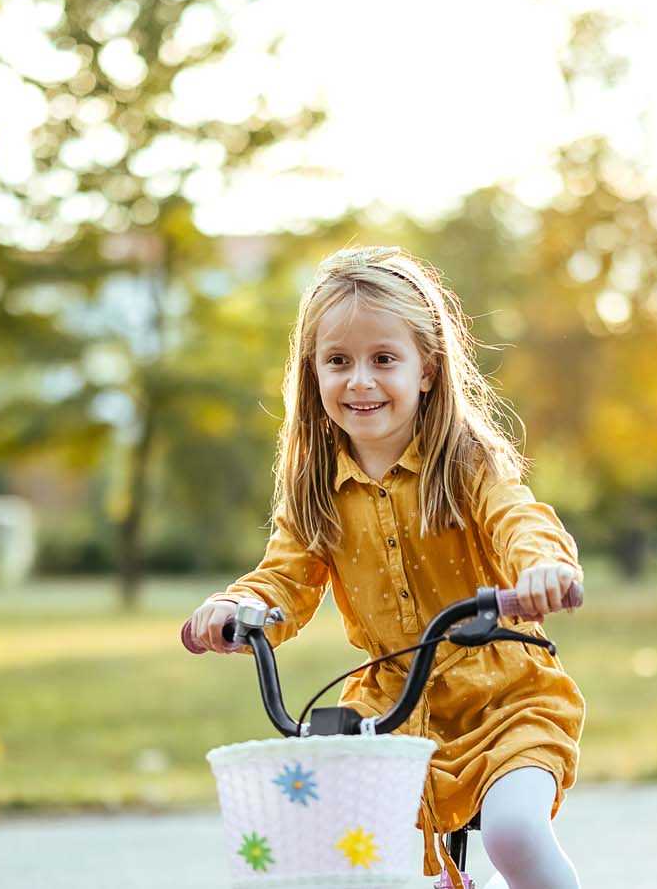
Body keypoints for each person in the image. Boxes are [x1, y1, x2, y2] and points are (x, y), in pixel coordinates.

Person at [185, 247, 585, 889]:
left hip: (505, 698)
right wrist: (240, 610)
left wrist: (542, 569)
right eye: (338, 361)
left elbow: (518, 519)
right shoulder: (315, 487)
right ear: (311, 373)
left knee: (515, 833)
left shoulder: (465, 463)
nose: (360, 381)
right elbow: (283, 578)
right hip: (390, 708)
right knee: (353, 856)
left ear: (426, 369)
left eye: (383, 359)